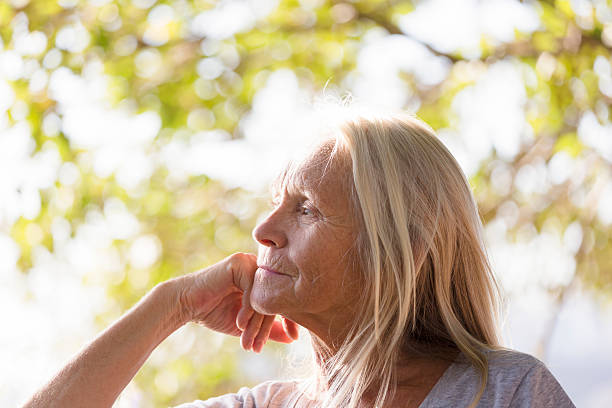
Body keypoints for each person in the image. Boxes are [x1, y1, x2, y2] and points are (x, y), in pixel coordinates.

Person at [22, 109, 575, 408]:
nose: (264, 230)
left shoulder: (509, 393)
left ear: (399, 253)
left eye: (305, 209)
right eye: (275, 203)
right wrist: (173, 303)